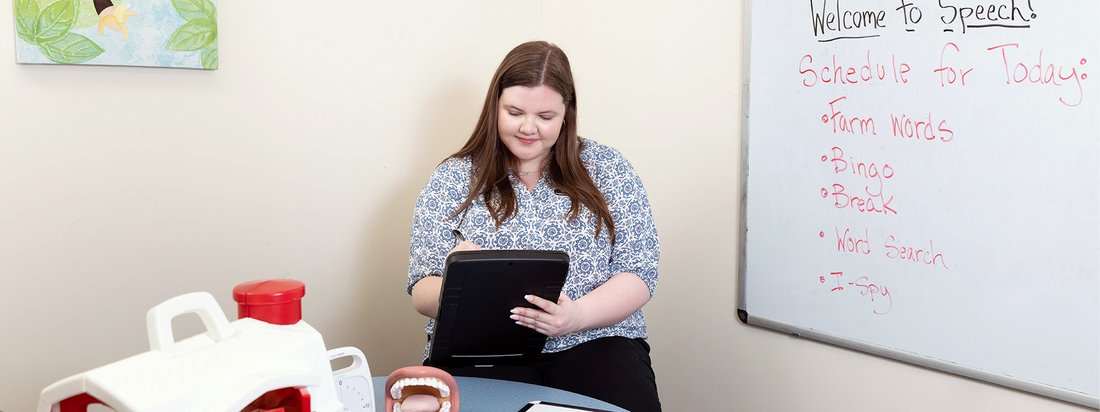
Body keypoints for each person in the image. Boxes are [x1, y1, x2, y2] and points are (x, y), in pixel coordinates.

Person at [406, 40, 661, 412]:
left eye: (545, 117)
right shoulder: (452, 179)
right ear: (495, 106)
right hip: (481, 349)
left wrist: (576, 317)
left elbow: (639, 272)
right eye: (514, 112)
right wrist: (456, 280)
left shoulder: (609, 169)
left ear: (566, 114)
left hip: (595, 340)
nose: (529, 128)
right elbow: (420, 290)